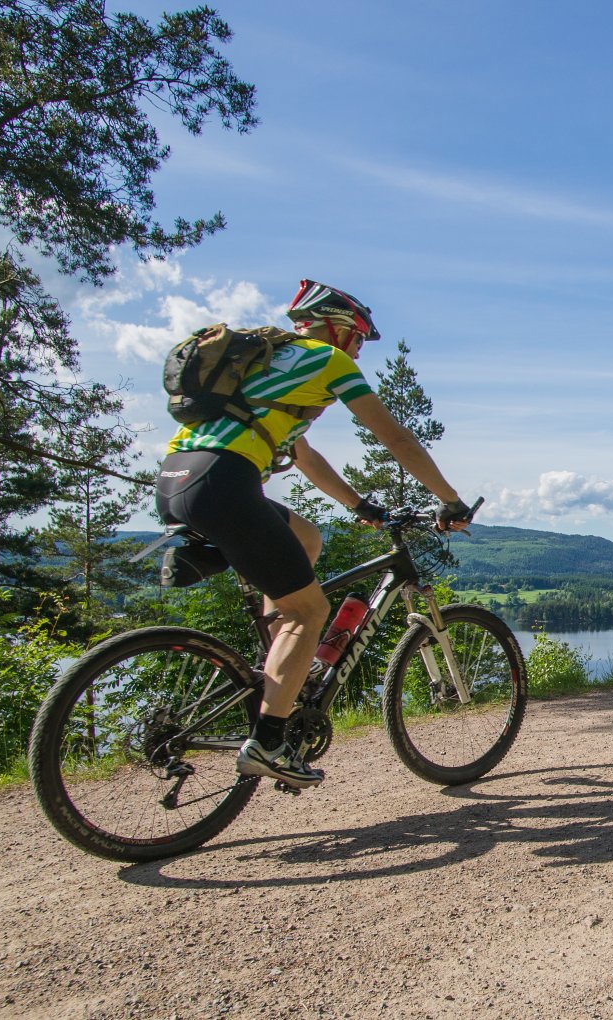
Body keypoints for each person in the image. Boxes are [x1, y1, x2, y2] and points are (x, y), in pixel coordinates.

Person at [155, 279, 473, 788]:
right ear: (340, 330)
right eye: (358, 339)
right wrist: (450, 500)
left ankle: (275, 667)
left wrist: (359, 504)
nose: (357, 350)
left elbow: (303, 456)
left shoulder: (262, 363)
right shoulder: (327, 362)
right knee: (311, 610)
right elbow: (394, 437)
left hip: (178, 480)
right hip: (226, 485)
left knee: (307, 540)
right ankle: (270, 740)